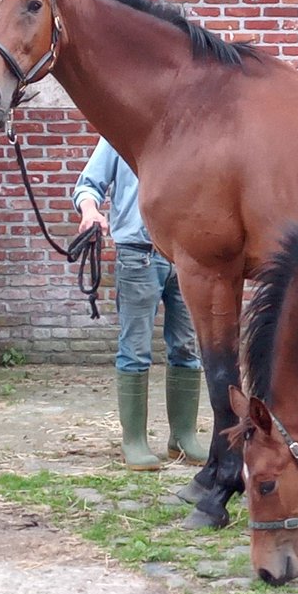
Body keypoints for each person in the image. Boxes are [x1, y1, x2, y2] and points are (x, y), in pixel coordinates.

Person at [73, 137, 206, 471]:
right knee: (135, 348)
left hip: (187, 255)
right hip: (138, 254)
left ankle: (183, 437)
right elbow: (88, 185)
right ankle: (134, 441)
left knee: (188, 346)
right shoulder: (119, 134)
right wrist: (91, 211)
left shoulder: (193, 132)